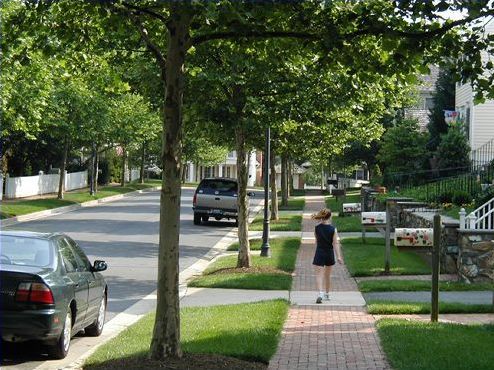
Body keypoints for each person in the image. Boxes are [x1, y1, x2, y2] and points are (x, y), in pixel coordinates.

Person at [311, 208, 343, 304]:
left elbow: (316, 241)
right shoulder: (333, 229)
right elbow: (335, 243)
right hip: (329, 253)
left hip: (320, 252)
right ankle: (327, 294)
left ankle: (320, 293)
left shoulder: (317, 228)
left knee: (319, 275)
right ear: (330, 217)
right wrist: (339, 256)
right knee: (327, 275)